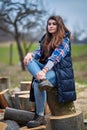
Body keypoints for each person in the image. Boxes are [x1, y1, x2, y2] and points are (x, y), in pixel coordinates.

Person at [23, 15, 76, 128]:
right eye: (49, 24)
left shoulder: (64, 40)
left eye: (54, 24)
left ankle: (40, 116)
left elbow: (55, 57)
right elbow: (38, 53)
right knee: (29, 61)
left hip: (59, 73)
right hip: (45, 71)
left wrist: (44, 70)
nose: (51, 26)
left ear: (59, 25)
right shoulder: (46, 39)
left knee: (37, 84)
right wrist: (30, 54)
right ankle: (43, 80)